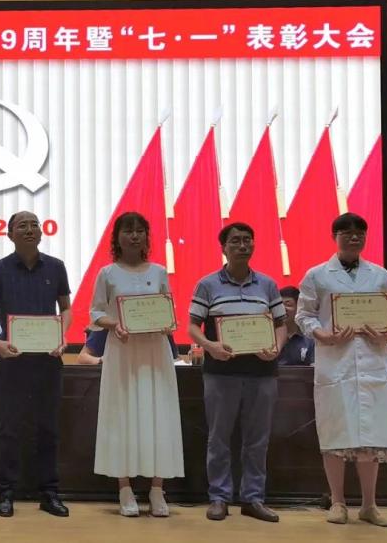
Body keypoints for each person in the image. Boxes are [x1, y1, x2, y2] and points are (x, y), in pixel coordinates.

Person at [295, 213, 387, 527]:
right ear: (335, 237)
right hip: (335, 362)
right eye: (347, 232)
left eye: (359, 232)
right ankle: (338, 502)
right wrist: (322, 334)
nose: (354, 237)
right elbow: (303, 315)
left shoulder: (379, 274)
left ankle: (369, 505)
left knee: (371, 436)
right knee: (335, 435)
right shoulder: (317, 275)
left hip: (372, 361)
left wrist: (385, 333)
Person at [188, 222, 287, 523]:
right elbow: (192, 326)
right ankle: (219, 497)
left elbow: (281, 325)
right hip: (221, 372)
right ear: (224, 248)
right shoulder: (207, 284)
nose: (242, 245)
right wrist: (210, 346)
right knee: (219, 438)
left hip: (262, 373)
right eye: (235, 241)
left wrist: (276, 348)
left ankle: (253, 498)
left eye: (247, 240)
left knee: (257, 440)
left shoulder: (267, 284)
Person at [0, 211, 72, 518]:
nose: (30, 230)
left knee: (48, 428)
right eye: (22, 226)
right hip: (13, 359)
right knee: (9, 428)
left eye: (35, 225)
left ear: (41, 233)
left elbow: (66, 307)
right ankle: (5, 493)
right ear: (10, 234)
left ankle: (49, 493)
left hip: (48, 359)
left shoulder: (56, 267)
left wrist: (62, 336)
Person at [90, 212, 184, 517]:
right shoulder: (107, 273)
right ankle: (125, 488)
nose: (134, 236)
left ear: (147, 237)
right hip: (122, 350)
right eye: (128, 231)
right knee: (122, 413)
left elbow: (167, 309)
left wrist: (168, 322)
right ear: (116, 237)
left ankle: (157, 489)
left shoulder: (159, 271)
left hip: (155, 350)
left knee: (159, 413)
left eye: (140, 231)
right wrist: (114, 324)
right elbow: (95, 313)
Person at [78, 327, 177, 365]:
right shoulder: (108, 324)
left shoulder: (160, 324)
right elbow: (82, 357)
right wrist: (101, 360)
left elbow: (176, 359)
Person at [277, 286, 315, 366]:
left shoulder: (310, 337)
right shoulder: (270, 337)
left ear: (299, 307)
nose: (283, 309)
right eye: (280, 305)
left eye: (288, 304)